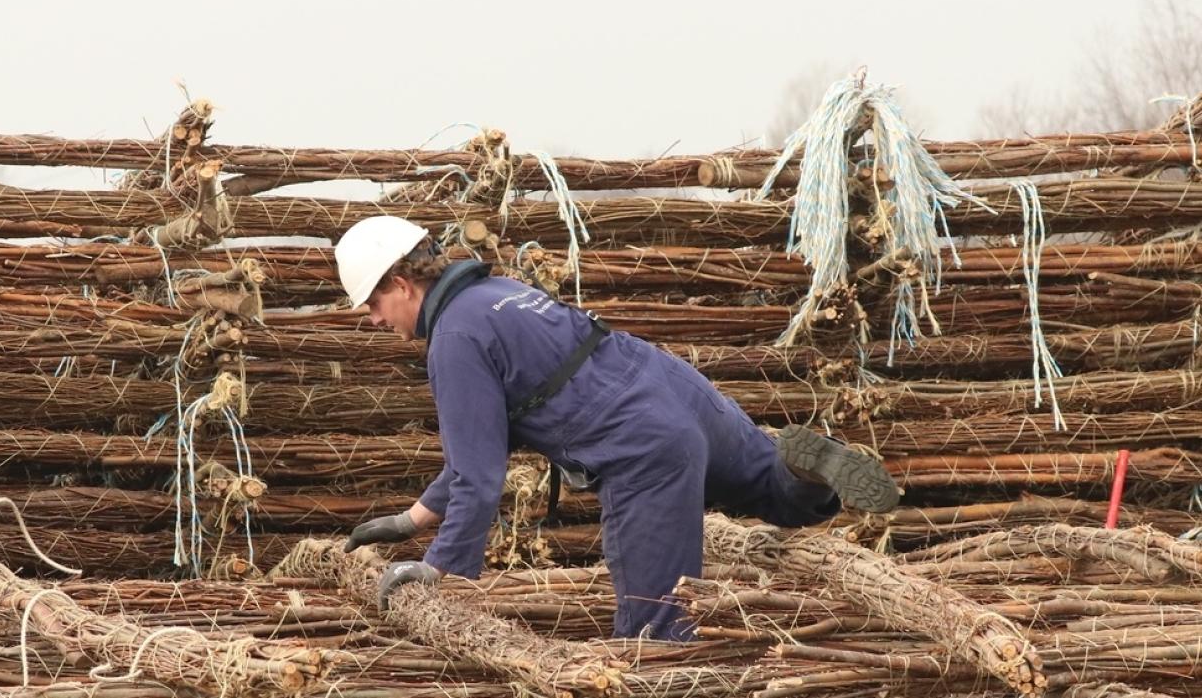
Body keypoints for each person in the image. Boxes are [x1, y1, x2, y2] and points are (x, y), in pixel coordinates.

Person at [337, 215, 900, 640]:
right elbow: (480, 451)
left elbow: (480, 479)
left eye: (373, 303)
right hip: (677, 391)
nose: (376, 320)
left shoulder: (454, 341)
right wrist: (411, 520)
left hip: (640, 450)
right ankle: (807, 461)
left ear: (402, 282)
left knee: (653, 632)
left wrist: (443, 572)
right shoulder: (498, 295)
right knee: (780, 492)